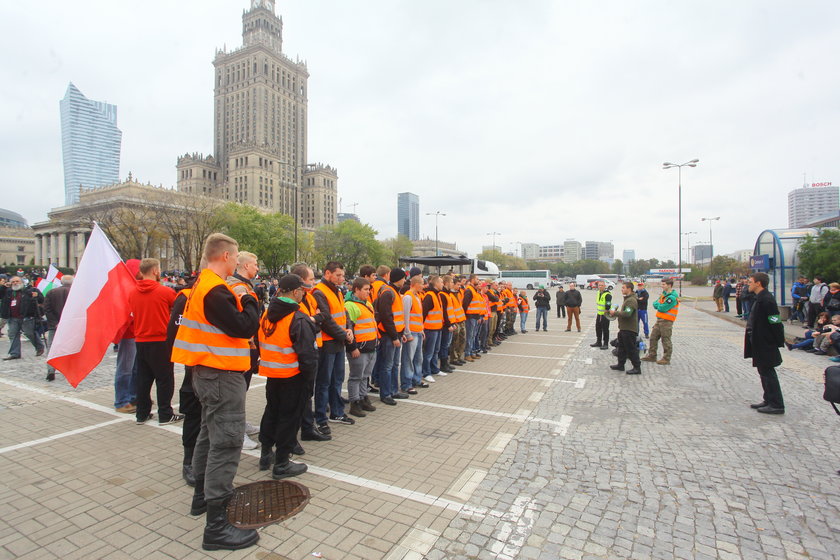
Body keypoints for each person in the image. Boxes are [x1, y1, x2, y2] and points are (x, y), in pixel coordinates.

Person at [172, 233, 261, 551]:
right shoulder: (215, 289)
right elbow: (244, 326)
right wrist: (251, 300)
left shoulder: (203, 283)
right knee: (226, 443)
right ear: (225, 256)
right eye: (236, 258)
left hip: (210, 372)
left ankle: (201, 499)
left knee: (209, 436)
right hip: (221, 375)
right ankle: (217, 527)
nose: (238, 263)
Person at [257, 273, 317, 479]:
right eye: (302, 291)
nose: (304, 294)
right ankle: (282, 463)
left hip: (272, 374)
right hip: (293, 376)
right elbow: (308, 356)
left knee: (272, 412)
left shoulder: (266, 314)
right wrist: (309, 382)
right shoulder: (298, 318)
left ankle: (266, 454)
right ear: (295, 292)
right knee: (289, 418)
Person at [129, 258, 183, 426]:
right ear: (155, 271)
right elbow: (176, 311)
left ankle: (142, 413)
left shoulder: (132, 292)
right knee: (164, 379)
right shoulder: (165, 292)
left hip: (140, 340)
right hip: (160, 340)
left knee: (143, 379)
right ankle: (165, 414)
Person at [226, 251, 263, 450]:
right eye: (255, 265)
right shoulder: (238, 286)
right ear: (246, 266)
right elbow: (242, 320)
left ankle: (240, 424)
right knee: (237, 391)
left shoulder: (246, 285)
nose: (257, 269)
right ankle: (236, 433)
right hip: (242, 347)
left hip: (249, 346)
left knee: (243, 389)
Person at [313, 262, 354, 428]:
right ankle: (321, 418)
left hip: (338, 341)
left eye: (342, 275)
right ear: (327, 273)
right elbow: (326, 321)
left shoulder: (337, 291)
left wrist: (349, 329)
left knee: (337, 380)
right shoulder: (319, 292)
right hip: (327, 343)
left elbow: (344, 313)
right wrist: (345, 334)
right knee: (324, 382)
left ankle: (336, 412)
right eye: (338, 275)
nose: (342, 279)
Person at [744, 272, 785, 414]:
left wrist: (778, 340)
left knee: (768, 372)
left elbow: (775, 321)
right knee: (763, 371)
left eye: (750, 282)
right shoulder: (759, 298)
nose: (748, 284)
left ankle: (776, 404)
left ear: (758, 283)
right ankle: (768, 399)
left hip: (766, 342)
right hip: (759, 341)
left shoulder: (767, 300)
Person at [344, 278, 378, 416]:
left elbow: (371, 323)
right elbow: (348, 329)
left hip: (370, 346)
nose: (368, 292)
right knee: (356, 377)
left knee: (365, 376)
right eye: (365, 289)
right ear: (356, 290)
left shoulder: (367, 303)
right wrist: (352, 348)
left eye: (369, 289)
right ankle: (354, 402)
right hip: (359, 348)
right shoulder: (350, 306)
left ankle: (363, 398)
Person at [374, 267, 407, 403]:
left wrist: (401, 333)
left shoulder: (394, 291)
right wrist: (394, 337)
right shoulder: (389, 292)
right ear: (399, 279)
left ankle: (393, 391)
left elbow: (396, 317)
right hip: (389, 336)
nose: (405, 280)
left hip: (395, 334)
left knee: (393, 365)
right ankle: (386, 394)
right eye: (404, 278)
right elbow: (387, 317)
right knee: (387, 365)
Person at [1, 276, 45, 360]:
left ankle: (39, 347)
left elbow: (41, 299)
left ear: (22, 282)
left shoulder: (30, 290)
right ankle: (15, 353)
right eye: (13, 282)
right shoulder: (8, 291)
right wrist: (3, 286)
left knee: (30, 333)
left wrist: (37, 296)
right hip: (12, 317)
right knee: (13, 334)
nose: (15, 283)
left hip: (27, 317)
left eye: (17, 281)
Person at [641, 278, 679, 365]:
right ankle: (652, 355)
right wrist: (659, 305)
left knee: (666, 340)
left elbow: (663, 308)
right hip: (659, 320)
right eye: (662, 284)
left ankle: (666, 358)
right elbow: (655, 303)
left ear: (669, 285)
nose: (662, 286)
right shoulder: (664, 295)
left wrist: (659, 305)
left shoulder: (672, 297)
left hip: (667, 321)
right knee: (653, 337)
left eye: (663, 284)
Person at [43, 275, 73, 381]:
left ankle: (51, 370)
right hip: (70, 326)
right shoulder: (75, 293)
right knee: (71, 347)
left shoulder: (51, 292)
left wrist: (54, 322)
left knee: (52, 348)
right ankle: (70, 369)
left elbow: (47, 309)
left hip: (54, 325)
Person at [609, 282, 641, 375]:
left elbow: (627, 314)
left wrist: (614, 313)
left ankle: (637, 367)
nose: (621, 289)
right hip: (624, 328)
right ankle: (620, 364)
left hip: (629, 329)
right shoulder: (628, 299)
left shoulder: (631, 300)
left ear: (629, 289)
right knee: (621, 348)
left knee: (631, 349)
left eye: (623, 288)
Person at [401, 275, 427, 388]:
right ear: (416, 284)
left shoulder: (416, 296)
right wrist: (407, 333)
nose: (423, 286)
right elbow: (405, 316)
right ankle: (407, 383)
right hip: (411, 332)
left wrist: (421, 329)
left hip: (417, 331)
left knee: (418, 358)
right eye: (421, 284)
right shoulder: (408, 297)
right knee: (408, 359)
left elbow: (418, 316)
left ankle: (416, 379)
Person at [462, 275, 485, 362]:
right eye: (476, 279)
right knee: (470, 336)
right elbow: (465, 304)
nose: (478, 280)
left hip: (475, 316)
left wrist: (478, 316)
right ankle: (467, 354)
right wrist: (466, 316)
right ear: (472, 280)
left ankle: (471, 352)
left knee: (473, 336)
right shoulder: (469, 291)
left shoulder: (474, 291)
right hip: (470, 317)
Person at [590, 281, 612, 350]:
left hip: (605, 314)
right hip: (599, 314)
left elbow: (608, 303)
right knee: (598, 328)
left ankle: (605, 343)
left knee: (605, 329)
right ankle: (598, 342)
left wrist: (607, 309)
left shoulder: (607, 294)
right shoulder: (598, 293)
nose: (600, 286)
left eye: (602, 285)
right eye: (599, 285)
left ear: (605, 286)